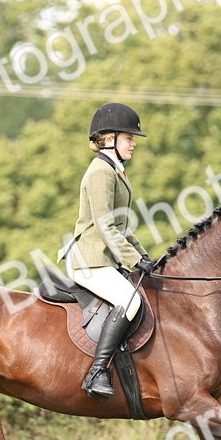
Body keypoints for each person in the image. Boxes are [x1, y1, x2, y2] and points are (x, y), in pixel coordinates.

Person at [58, 102, 156, 401]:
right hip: (90, 259)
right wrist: (133, 260)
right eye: (129, 137)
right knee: (130, 300)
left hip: (104, 257)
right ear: (109, 138)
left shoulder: (115, 171)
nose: (134, 143)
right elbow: (104, 226)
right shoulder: (101, 172)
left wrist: (146, 258)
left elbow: (122, 228)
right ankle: (97, 372)